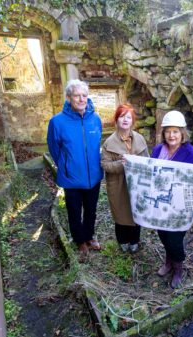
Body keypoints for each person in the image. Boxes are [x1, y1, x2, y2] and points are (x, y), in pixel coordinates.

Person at [151, 111, 193, 288]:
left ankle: (178, 266)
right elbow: (150, 173)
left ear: (182, 133)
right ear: (163, 133)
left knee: (175, 239)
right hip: (160, 203)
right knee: (163, 234)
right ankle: (168, 261)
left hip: (179, 206)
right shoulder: (158, 150)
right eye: (168, 131)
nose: (171, 135)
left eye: (176, 131)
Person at [47, 79, 103, 253]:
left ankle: (89, 235)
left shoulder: (95, 119)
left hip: (93, 176)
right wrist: (66, 166)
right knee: (74, 211)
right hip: (72, 177)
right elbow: (54, 149)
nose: (81, 99)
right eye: (77, 96)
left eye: (84, 95)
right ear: (68, 97)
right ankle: (80, 240)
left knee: (91, 210)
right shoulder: (57, 122)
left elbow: (97, 145)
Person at [101, 104, 149, 253]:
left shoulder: (140, 139)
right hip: (118, 184)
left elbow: (147, 160)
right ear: (117, 120)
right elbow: (105, 165)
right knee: (121, 212)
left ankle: (134, 240)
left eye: (128, 117)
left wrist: (137, 163)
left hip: (137, 183)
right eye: (122, 116)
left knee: (135, 210)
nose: (125, 120)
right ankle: (123, 240)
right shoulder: (109, 142)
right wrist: (122, 164)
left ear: (132, 121)